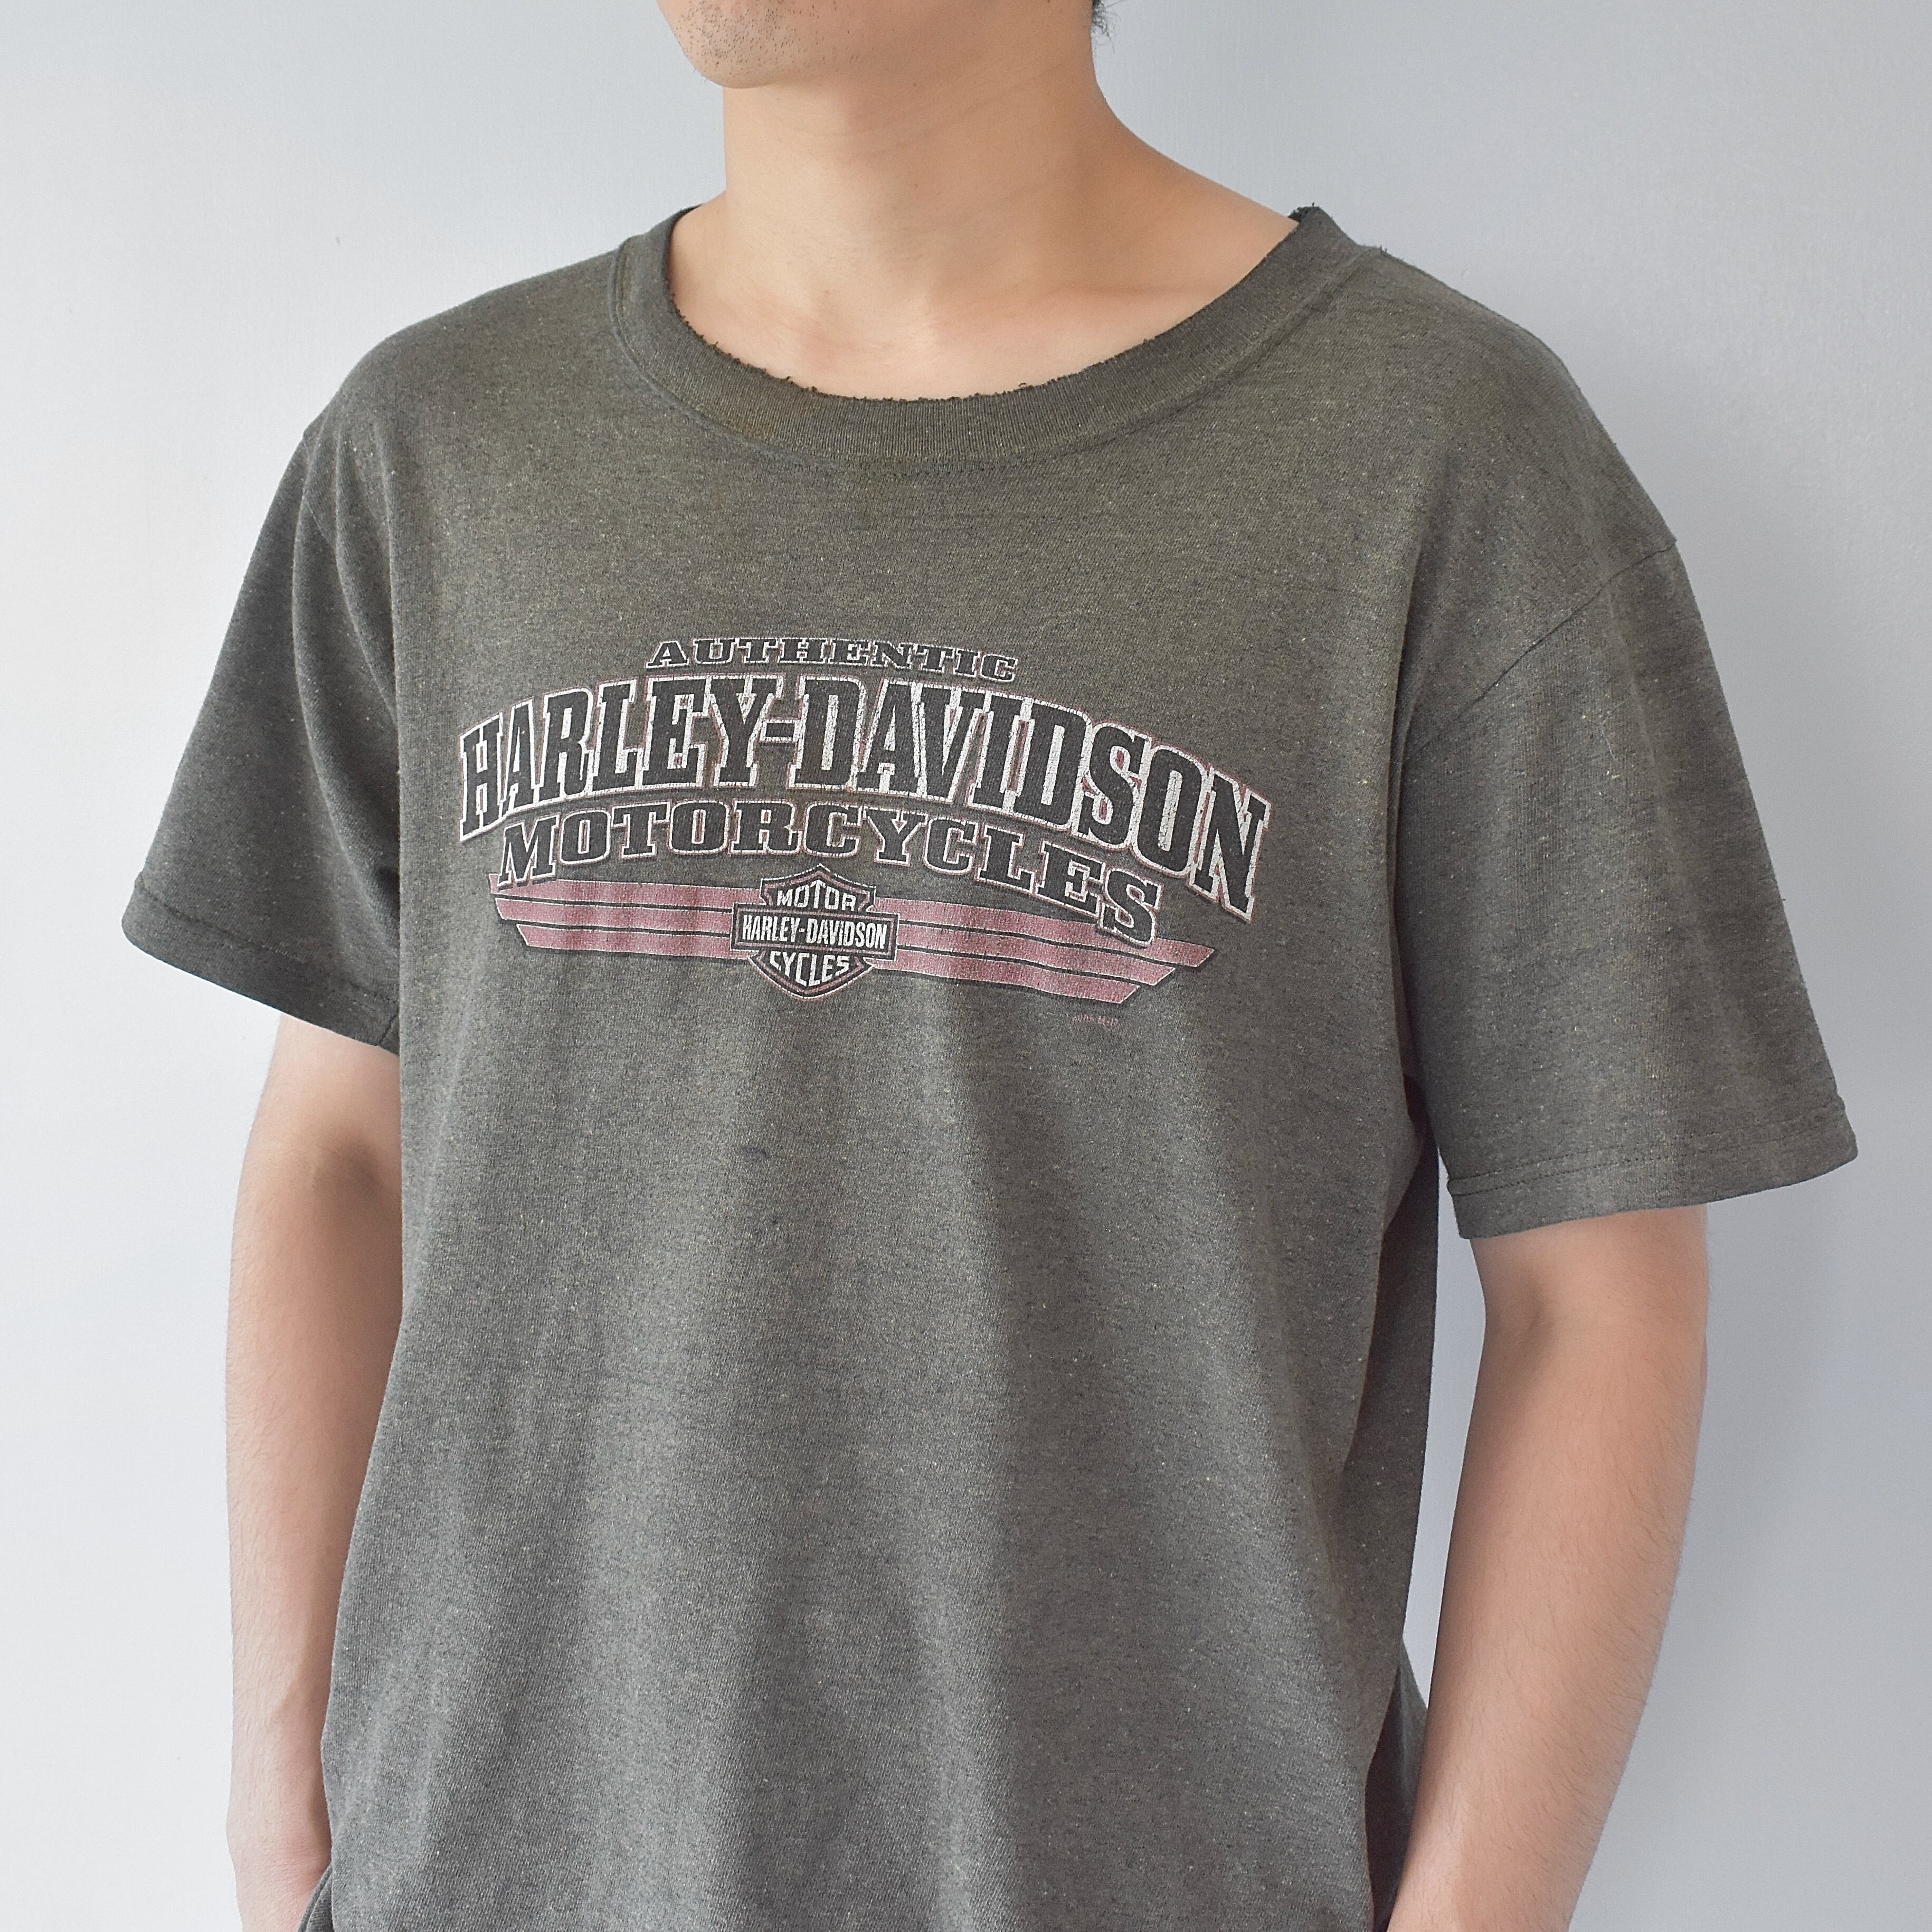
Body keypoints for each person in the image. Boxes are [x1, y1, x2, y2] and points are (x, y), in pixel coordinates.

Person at [121, 3, 1858, 1929]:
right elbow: (338, 1150)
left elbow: (1596, 1287)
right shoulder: (435, 446)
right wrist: (283, 1811)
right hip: (487, 1870)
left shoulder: (1439, 461)